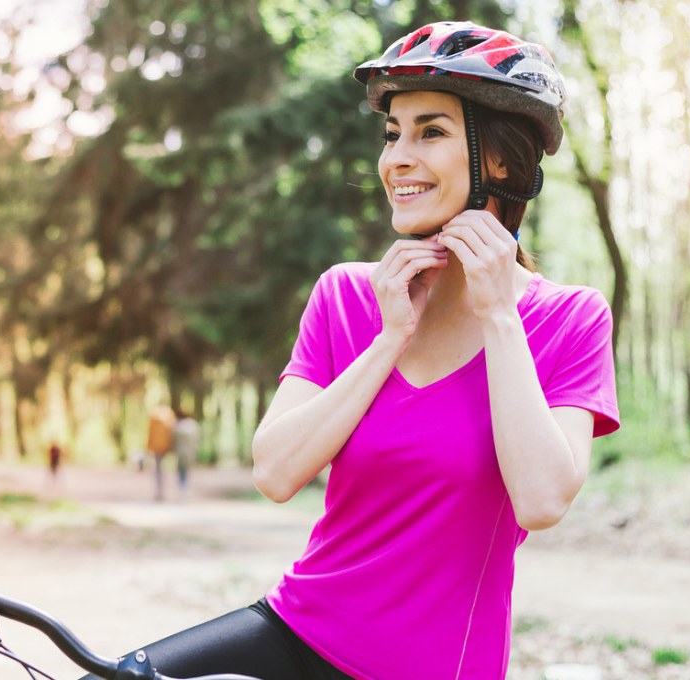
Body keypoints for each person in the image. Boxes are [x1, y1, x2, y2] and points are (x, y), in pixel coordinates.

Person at [80, 21, 619, 680]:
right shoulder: (345, 297)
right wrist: (388, 339)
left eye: (432, 132)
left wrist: (499, 315)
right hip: (294, 629)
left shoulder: (568, 318)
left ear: (500, 161)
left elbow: (542, 500)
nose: (396, 158)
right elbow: (276, 472)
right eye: (393, 134)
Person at [146, 404, 176, 501]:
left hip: (156, 447)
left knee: (158, 469)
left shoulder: (154, 417)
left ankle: (159, 490)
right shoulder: (169, 416)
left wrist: (149, 446)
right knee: (163, 469)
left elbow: (150, 432)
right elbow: (171, 432)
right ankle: (162, 490)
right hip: (165, 447)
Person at [171, 411, 200, 497]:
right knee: (186, 469)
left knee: (181, 470)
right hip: (189, 451)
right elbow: (196, 441)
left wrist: (174, 450)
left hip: (181, 451)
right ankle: (185, 486)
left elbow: (175, 440)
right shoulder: (193, 426)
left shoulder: (178, 427)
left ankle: (182, 487)